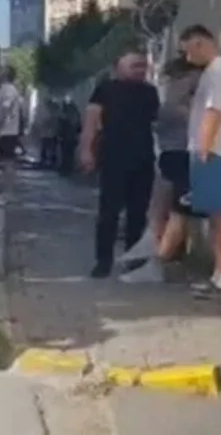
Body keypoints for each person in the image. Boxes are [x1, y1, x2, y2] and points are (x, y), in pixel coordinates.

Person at [119, 56, 206, 283]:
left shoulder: (189, 92)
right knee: (161, 208)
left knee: (176, 211)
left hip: (184, 154)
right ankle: (151, 254)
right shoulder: (176, 94)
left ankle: (157, 261)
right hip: (172, 154)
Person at [180, 24, 221, 298]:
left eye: (188, 51)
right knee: (219, 215)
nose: (187, 58)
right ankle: (220, 274)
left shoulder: (217, 71)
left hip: (217, 152)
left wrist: (203, 148)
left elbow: (214, 111)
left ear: (199, 43)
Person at [79, 52, 159, 278]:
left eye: (143, 66)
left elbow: (155, 123)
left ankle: (132, 258)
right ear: (120, 67)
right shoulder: (105, 90)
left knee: (138, 212)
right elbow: (91, 122)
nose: (140, 70)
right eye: (135, 65)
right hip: (113, 157)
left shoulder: (150, 92)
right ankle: (103, 261)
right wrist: (86, 150)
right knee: (109, 212)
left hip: (143, 157)